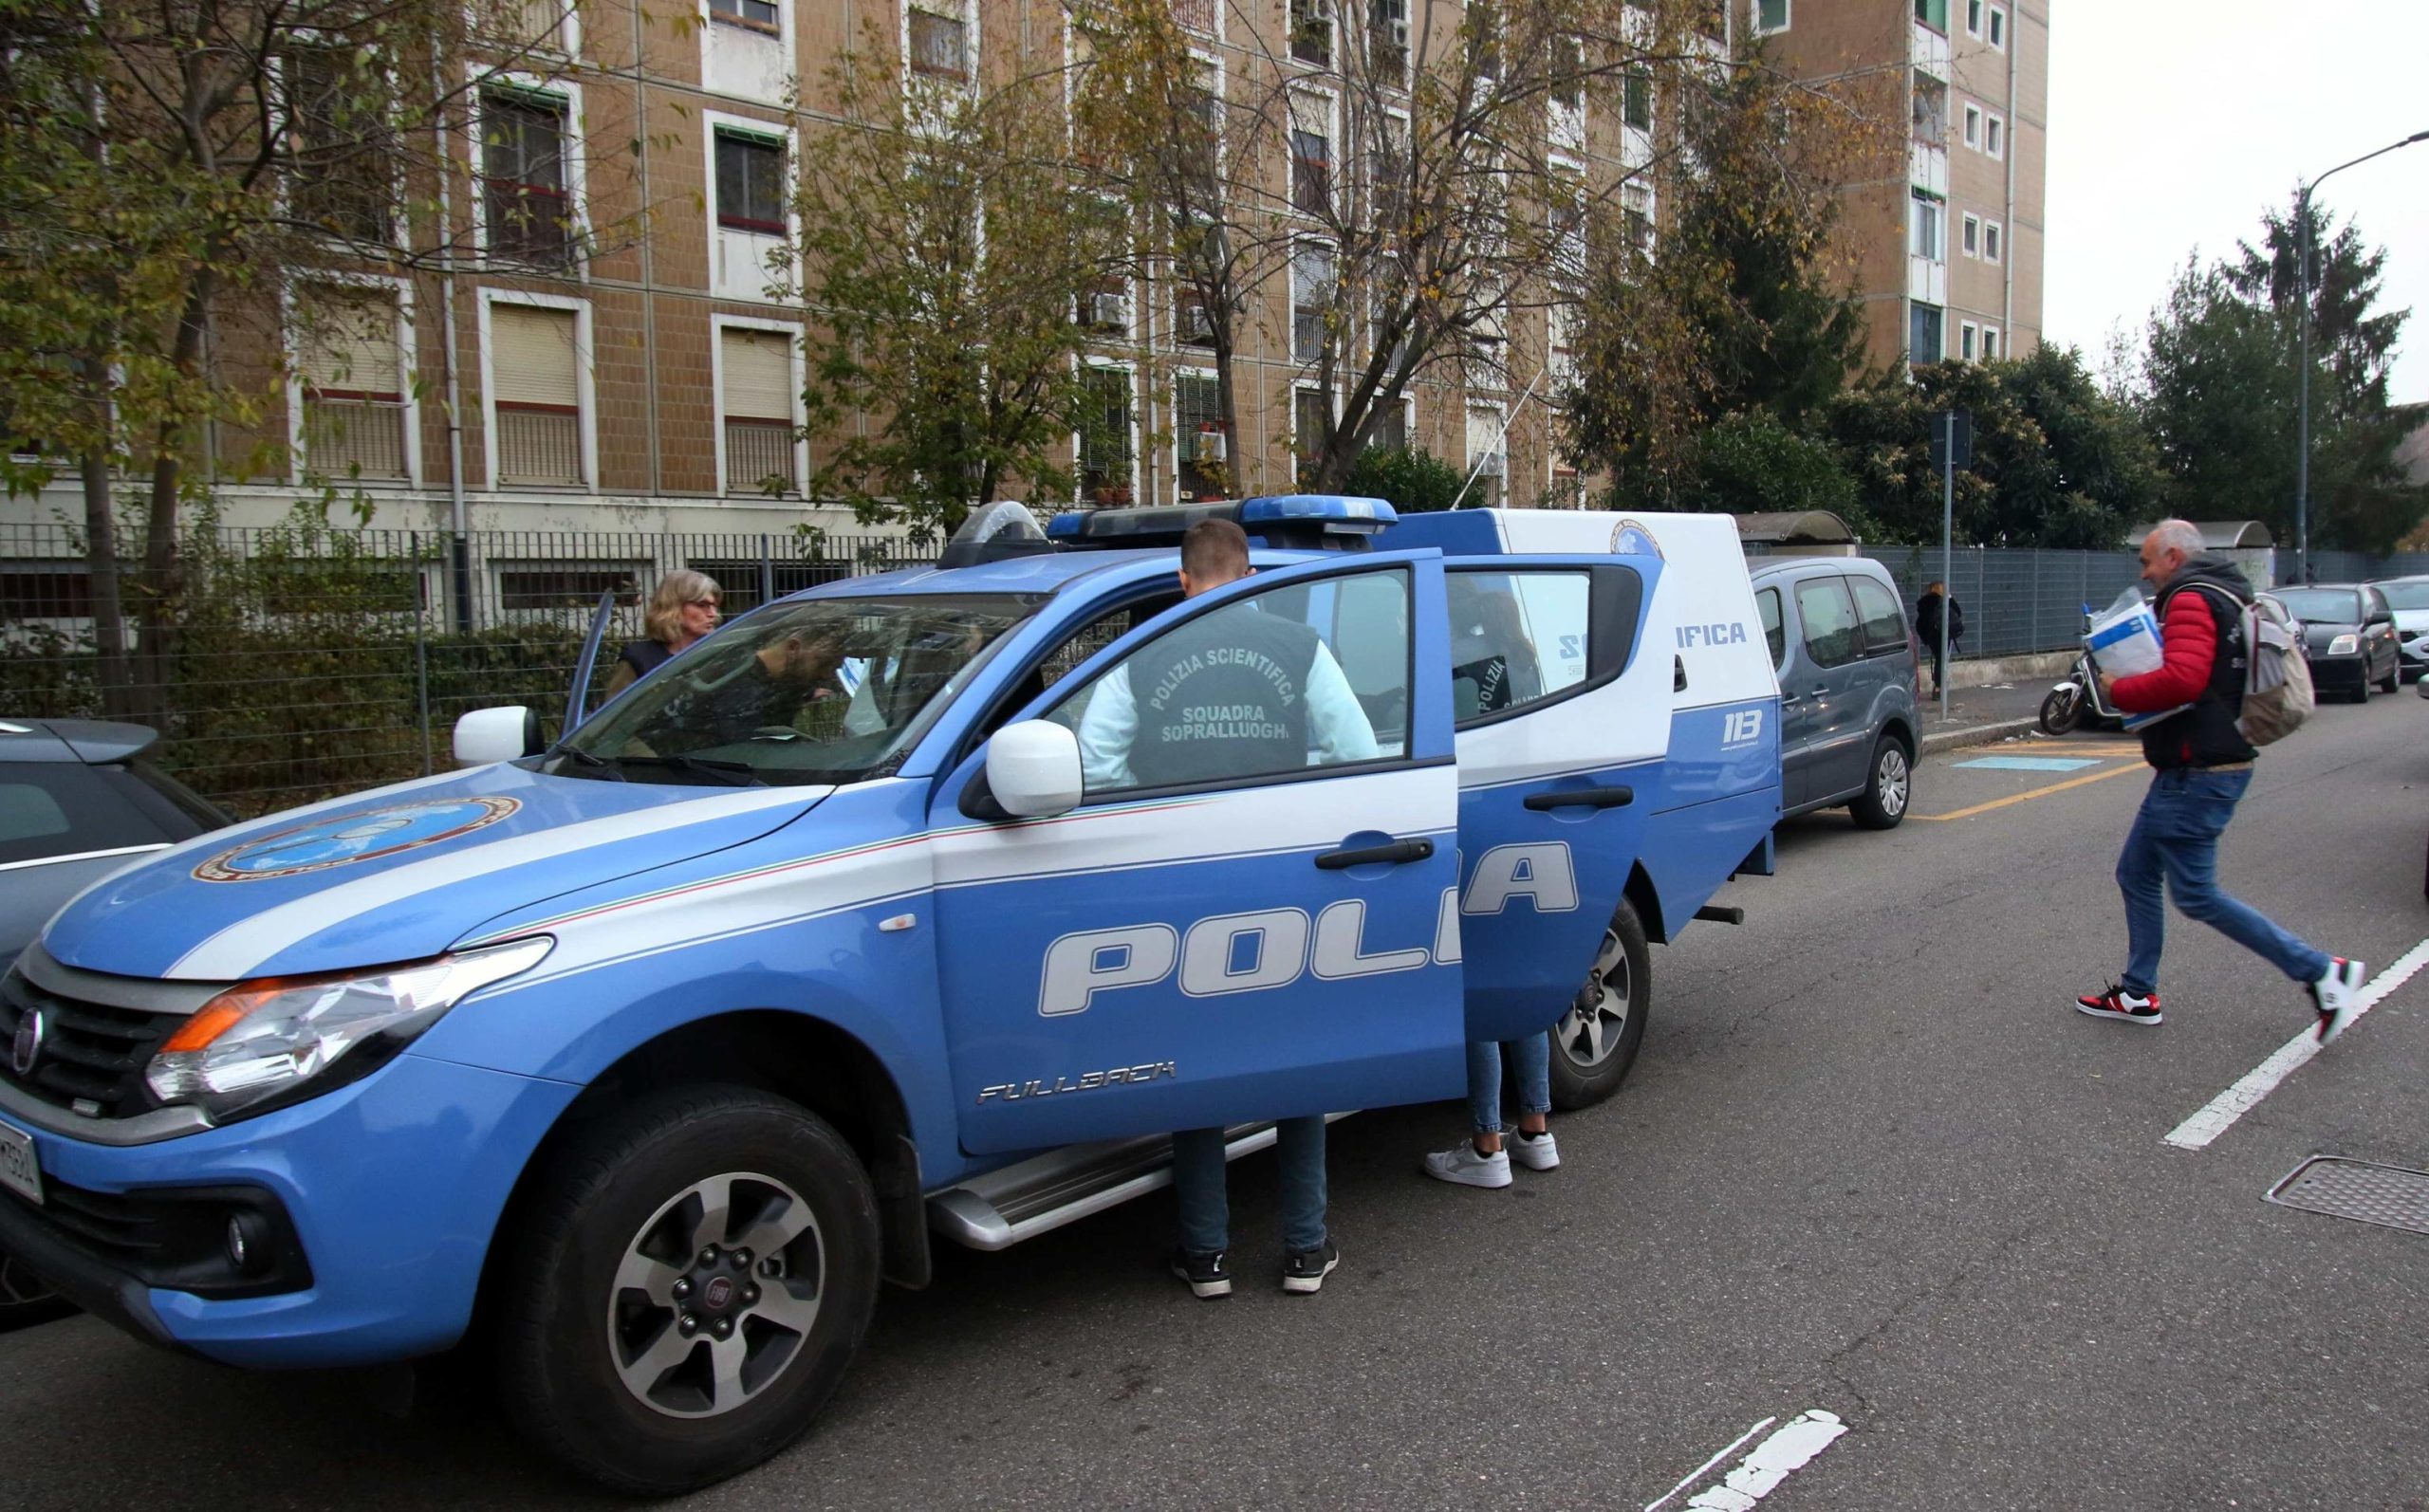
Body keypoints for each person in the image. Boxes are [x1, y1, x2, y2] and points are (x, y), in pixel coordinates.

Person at [1075, 518, 1376, 1299]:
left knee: (1197, 1061)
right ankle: (1306, 1249)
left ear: (1183, 581)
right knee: (1295, 1062)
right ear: (1247, 576)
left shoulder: (1136, 658)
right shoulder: (1299, 647)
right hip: (1284, 872)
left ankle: (1206, 1255)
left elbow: (1096, 764)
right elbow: (1360, 755)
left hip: (1179, 880)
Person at [2078, 519, 2365, 1041]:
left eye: (2147, 562)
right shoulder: (2225, 593)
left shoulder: (2190, 598)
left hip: (2199, 770)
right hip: (2193, 767)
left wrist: (2120, 689)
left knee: (2197, 894)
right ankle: (2138, 992)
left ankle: (2323, 971)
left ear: (2173, 556)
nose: (2143, 575)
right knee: (2136, 872)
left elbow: (2183, 679)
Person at [603, 570, 721, 698]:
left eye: (714, 606)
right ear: (673, 606)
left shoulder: (720, 653)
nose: (712, 614)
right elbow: (616, 712)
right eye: (702, 605)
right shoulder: (639, 659)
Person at [1914, 581, 1962, 699]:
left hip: (1931, 636)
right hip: (1943, 634)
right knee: (1941, 660)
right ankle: (1938, 688)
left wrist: (1925, 636)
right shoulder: (1944, 601)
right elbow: (1958, 612)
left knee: (1939, 659)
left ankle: (1938, 686)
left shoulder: (1925, 602)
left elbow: (1921, 621)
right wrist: (1949, 597)